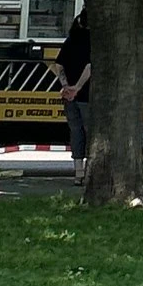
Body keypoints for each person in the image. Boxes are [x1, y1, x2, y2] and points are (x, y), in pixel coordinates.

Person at [52, 10, 92, 187]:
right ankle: (91, 171)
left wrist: (66, 86)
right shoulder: (92, 42)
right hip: (86, 94)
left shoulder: (70, 41)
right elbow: (90, 67)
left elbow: (58, 64)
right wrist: (78, 87)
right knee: (91, 132)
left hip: (68, 96)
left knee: (75, 132)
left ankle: (78, 172)